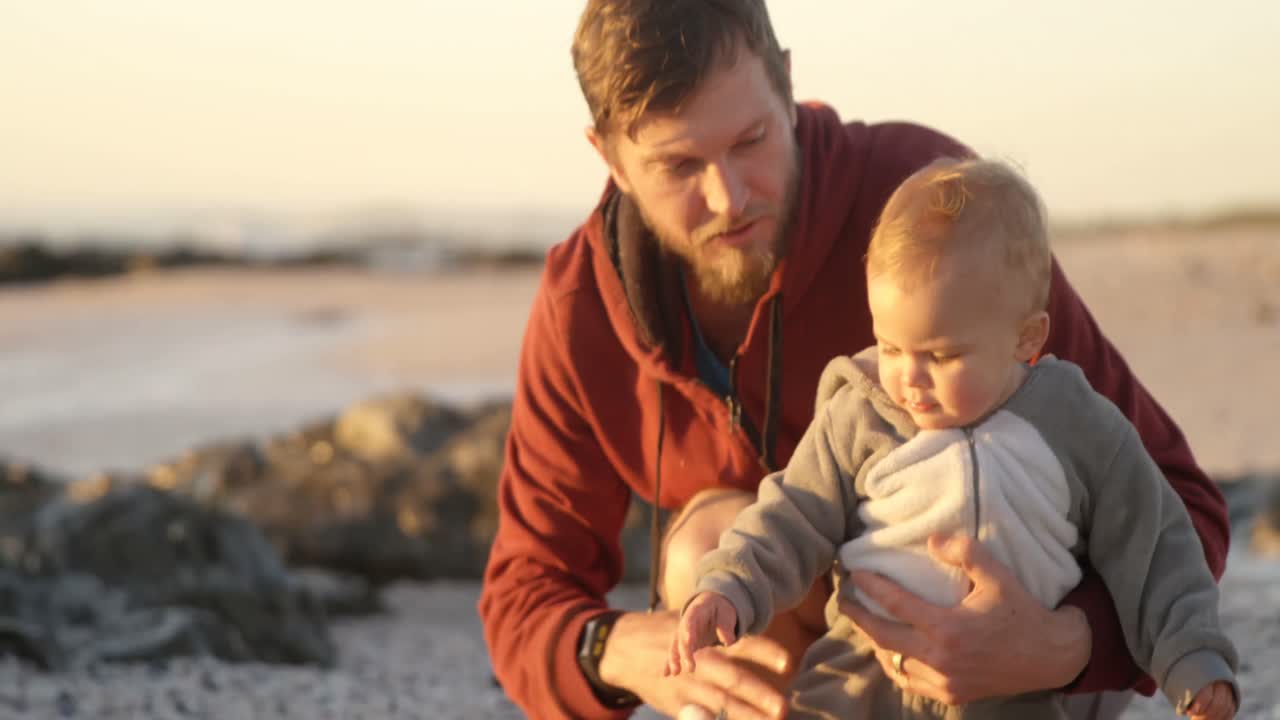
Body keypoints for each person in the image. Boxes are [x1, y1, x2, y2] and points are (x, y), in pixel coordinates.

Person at [477, 1, 1231, 718]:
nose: (730, 196)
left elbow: (1179, 504)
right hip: (836, 659)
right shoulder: (583, 305)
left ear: (788, 83)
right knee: (708, 547)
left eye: (751, 142)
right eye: (679, 166)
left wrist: (1069, 644)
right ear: (607, 155)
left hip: (1034, 650)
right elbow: (523, 595)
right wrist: (610, 649)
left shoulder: (936, 219)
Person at [667, 158, 1239, 720]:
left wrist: (1194, 660)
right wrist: (729, 587)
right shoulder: (861, 416)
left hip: (1015, 695)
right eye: (890, 346)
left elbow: (1154, 540)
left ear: (1026, 338)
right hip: (862, 683)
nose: (907, 377)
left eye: (941, 355)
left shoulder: (1075, 423)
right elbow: (791, 514)